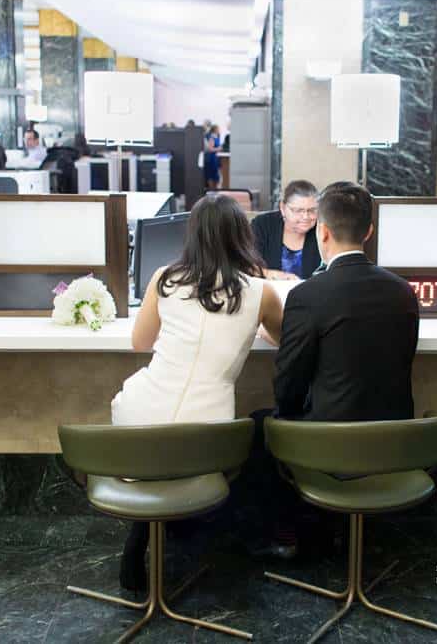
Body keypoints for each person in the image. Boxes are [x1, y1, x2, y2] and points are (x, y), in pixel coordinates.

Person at [110, 194, 284, 591]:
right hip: (209, 437)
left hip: (140, 416)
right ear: (242, 236)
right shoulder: (260, 292)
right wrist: (252, 326)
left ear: (193, 236)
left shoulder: (165, 278)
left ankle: (142, 533)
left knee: (153, 450)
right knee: (200, 451)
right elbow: (282, 337)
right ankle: (190, 531)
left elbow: (141, 342)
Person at [255, 182, 419, 557]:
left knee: (264, 426)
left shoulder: (308, 296)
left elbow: (288, 383)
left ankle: (290, 539)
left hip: (328, 445)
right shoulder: (404, 293)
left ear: (322, 231)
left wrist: (286, 419)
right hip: (393, 442)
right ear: (369, 232)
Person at [251, 180, 321, 280]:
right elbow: (243, 264)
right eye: (298, 210)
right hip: (269, 293)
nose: (306, 217)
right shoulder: (263, 225)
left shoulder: (322, 229)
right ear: (283, 208)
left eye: (312, 210)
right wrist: (270, 274)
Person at [203, 124, 221, 190]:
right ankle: (211, 189)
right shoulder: (211, 137)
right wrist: (218, 149)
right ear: (215, 130)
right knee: (211, 175)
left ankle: (214, 189)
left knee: (216, 175)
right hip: (211, 158)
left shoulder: (217, 137)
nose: (219, 130)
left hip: (215, 158)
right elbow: (210, 149)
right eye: (218, 129)